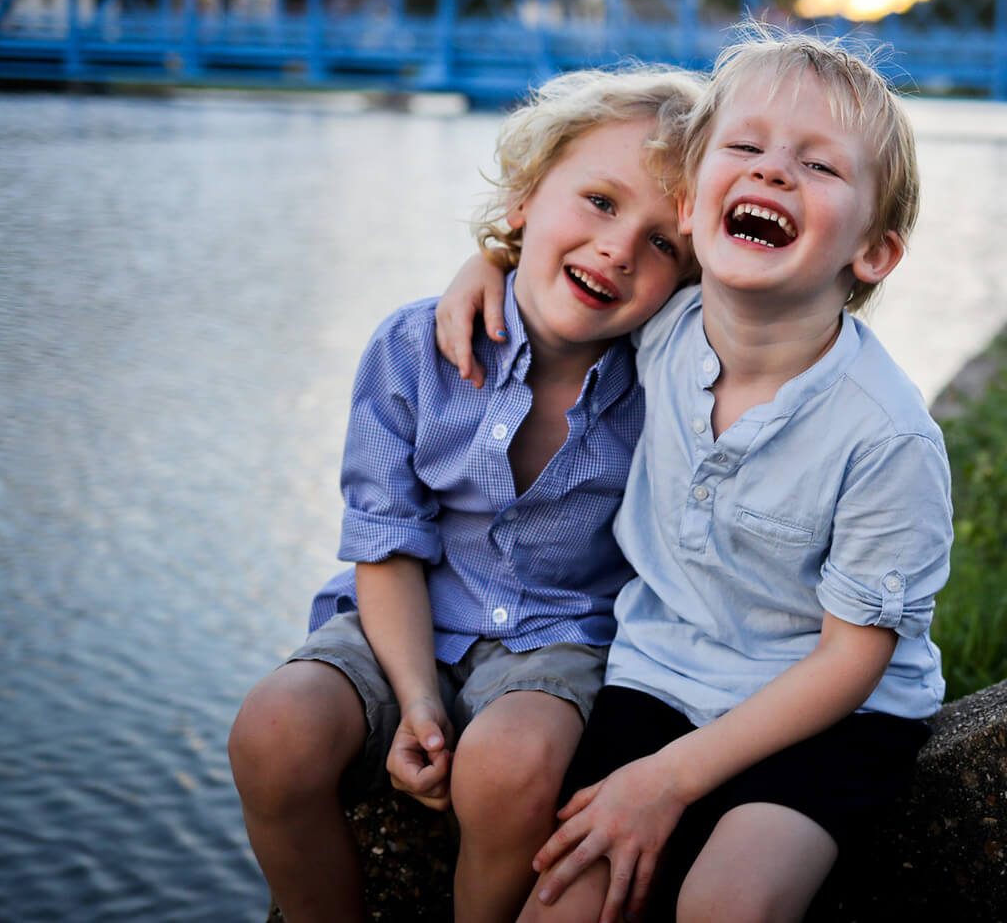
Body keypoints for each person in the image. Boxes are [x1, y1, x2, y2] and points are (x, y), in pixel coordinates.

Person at [436, 28, 953, 923]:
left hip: (825, 713)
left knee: (729, 904)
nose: (774, 172)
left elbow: (851, 663)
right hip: (664, 675)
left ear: (873, 253)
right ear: (690, 204)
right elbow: (574, 278)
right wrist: (489, 262)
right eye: (745, 148)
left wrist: (669, 782)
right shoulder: (662, 328)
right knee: (566, 898)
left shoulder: (887, 436)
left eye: (820, 167)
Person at [227, 67, 703, 923]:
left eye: (664, 243)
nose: (620, 247)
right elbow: (387, 544)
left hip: (559, 639)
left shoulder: (665, 380)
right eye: (598, 201)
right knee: (275, 731)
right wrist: (414, 701)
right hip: (402, 621)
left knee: (510, 769)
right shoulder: (416, 348)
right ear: (525, 197)